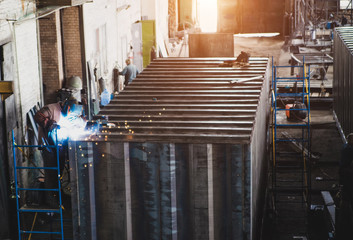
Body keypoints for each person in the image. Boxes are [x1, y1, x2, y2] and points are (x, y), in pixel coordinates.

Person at [34, 97, 85, 208]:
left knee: (59, 172)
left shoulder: (73, 113)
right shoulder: (51, 109)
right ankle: (51, 200)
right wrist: (49, 124)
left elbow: (81, 121)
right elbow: (38, 116)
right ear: (67, 107)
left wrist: (80, 122)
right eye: (70, 112)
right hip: (49, 147)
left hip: (60, 145)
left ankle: (58, 195)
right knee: (52, 173)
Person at [337, 133, 353, 239]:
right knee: (347, 198)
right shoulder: (348, 150)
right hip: (347, 178)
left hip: (344, 176)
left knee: (345, 197)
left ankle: (343, 221)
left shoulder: (345, 147)